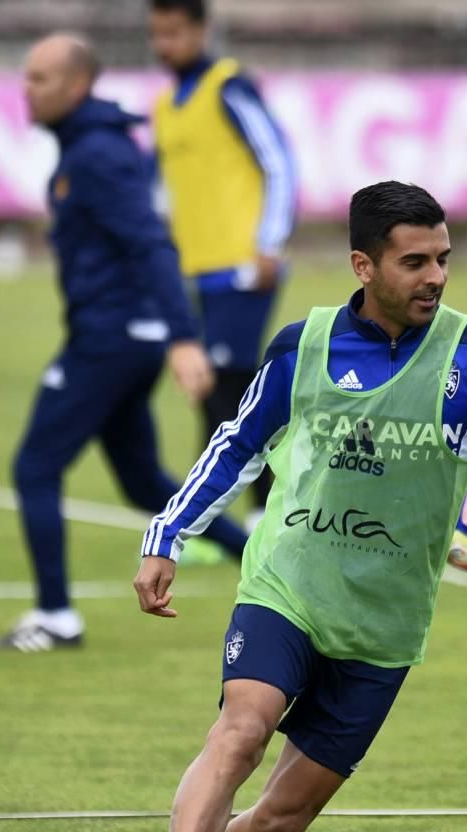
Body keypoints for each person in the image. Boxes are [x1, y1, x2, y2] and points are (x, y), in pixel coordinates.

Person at [68, 182, 467, 832]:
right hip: (288, 584)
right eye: (414, 262)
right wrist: (166, 535)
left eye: (443, 259)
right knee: (243, 727)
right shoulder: (302, 346)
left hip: (384, 623)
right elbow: (236, 446)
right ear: (363, 264)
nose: (436, 277)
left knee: (283, 817)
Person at [0, 33, 247, 653]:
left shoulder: (98, 155)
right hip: (120, 338)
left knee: (35, 467)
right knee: (140, 481)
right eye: (26, 76)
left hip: (111, 340)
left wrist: (183, 337)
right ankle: (272, 561)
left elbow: (151, 243)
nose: (28, 88)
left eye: (41, 78)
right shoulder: (88, 148)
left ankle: (56, 617)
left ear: (77, 86)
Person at [147, 0, 297, 523]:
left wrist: (269, 243)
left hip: (241, 265)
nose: (165, 44)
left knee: (227, 386)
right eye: (158, 34)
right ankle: (213, 514)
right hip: (194, 268)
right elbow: (163, 191)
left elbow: (278, 159)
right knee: (210, 389)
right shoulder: (166, 104)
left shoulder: (229, 86)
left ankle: (258, 512)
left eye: (174, 32)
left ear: (201, 30)